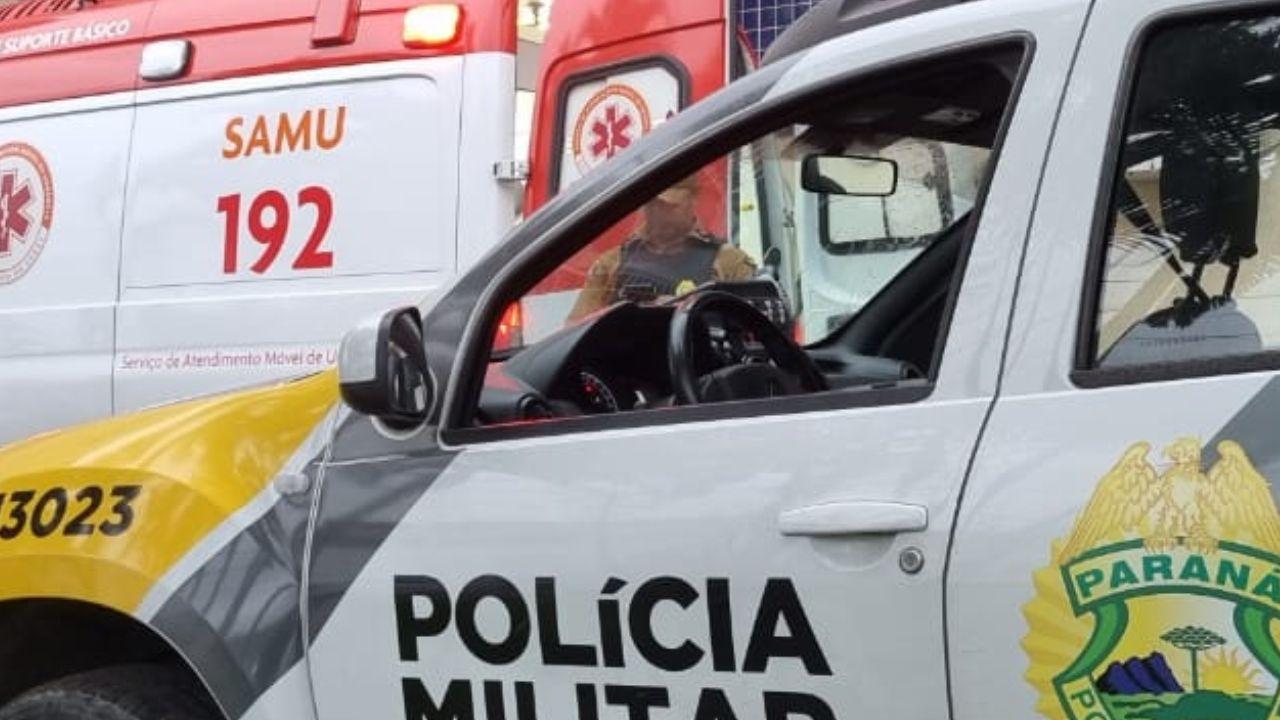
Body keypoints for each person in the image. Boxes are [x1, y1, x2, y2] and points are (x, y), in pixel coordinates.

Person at [568, 174, 757, 322]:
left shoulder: (729, 262)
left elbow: (754, 329)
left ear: (693, 199)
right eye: (651, 204)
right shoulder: (611, 264)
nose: (659, 213)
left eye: (669, 206)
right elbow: (575, 331)